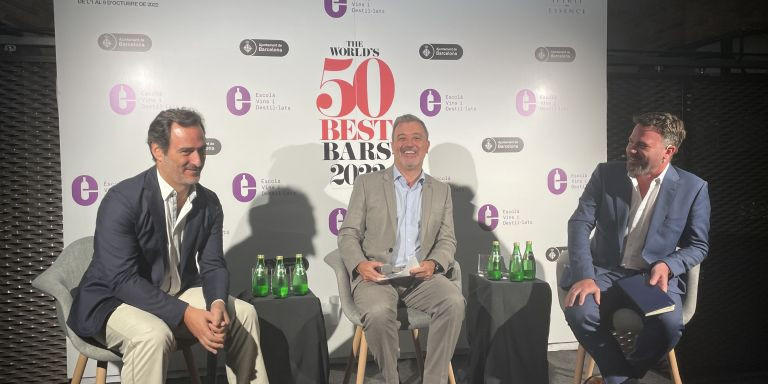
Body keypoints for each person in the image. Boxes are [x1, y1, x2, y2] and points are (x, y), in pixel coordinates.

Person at [68, 108, 268, 384]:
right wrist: (186, 314)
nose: (197, 161)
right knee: (152, 334)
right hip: (113, 300)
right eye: (186, 152)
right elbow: (122, 280)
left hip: (174, 292)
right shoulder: (122, 200)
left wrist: (218, 302)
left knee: (243, 314)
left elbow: (212, 264)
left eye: (201, 150)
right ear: (158, 151)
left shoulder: (208, 202)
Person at [561, 112, 710, 384]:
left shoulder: (693, 187)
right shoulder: (606, 174)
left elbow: (698, 245)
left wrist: (668, 265)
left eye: (641, 145)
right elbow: (580, 222)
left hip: (651, 279)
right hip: (604, 271)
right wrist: (584, 275)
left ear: (668, 151)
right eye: (631, 141)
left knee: (668, 326)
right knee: (579, 311)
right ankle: (624, 380)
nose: (630, 149)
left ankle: (613, 378)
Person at [338, 114, 465, 384]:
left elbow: (447, 240)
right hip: (377, 277)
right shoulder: (367, 183)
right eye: (402, 138)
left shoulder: (441, 190)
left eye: (416, 138)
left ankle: (433, 380)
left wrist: (434, 263)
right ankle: (391, 379)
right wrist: (360, 264)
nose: (409, 144)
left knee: (453, 302)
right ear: (392, 144)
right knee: (378, 313)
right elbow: (348, 233)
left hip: (420, 277)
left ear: (426, 145)